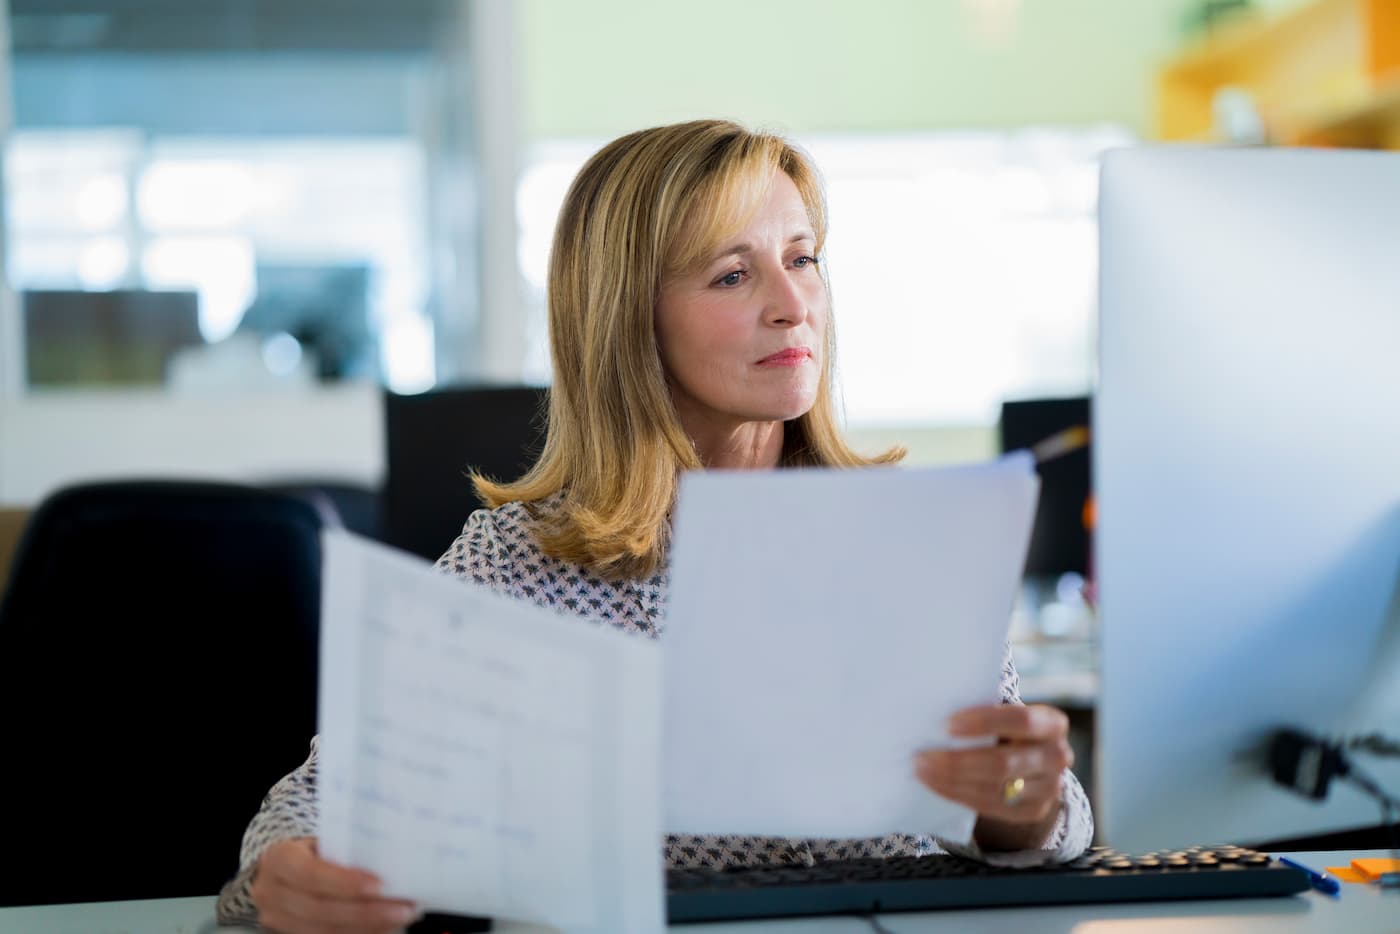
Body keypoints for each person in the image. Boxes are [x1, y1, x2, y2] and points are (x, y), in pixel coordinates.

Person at [217, 119, 1093, 932]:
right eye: (733, 274)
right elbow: (326, 799)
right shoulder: (524, 562)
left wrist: (1024, 801)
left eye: (804, 258)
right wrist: (282, 876)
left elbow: (1029, 810)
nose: (794, 304)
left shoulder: (907, 539)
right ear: (631, 319)